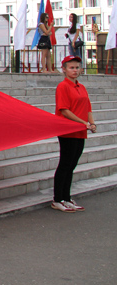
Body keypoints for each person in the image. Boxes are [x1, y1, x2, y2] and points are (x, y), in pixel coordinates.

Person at [51, 55, 95, 212]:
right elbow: (64, 109)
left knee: (72, 165)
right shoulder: (63, 86)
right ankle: (57, 199)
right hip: (67, 130)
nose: (75, 70)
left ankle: (67, 198)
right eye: (71, 67)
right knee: (65, 164)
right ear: (64, 69)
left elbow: (88, 107)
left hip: (80, 130)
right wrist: (82, 123)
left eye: (77, 67)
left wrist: (91, 123)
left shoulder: (81, 87)